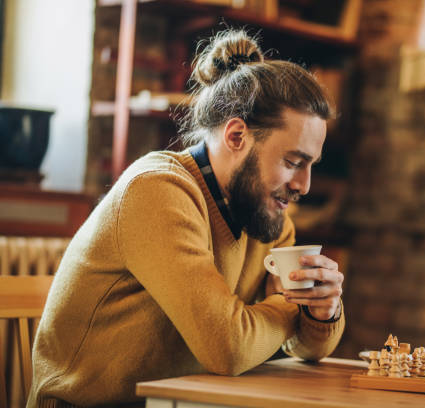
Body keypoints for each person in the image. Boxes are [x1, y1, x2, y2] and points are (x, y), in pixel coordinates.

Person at [28, 29, 345, 407]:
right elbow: (228, 348)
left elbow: (306, 350)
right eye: (293, 162)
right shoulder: (157, 191)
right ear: (237, 136)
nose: (304, 185)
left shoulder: (263, 214)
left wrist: (321, 312)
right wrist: (286, 308)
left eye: (310, 165)